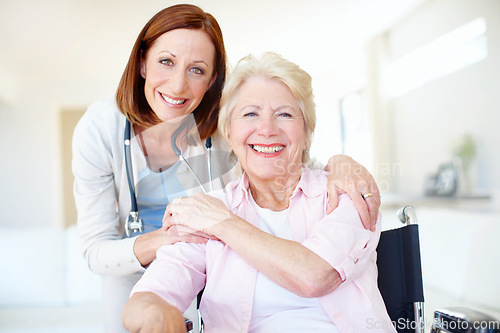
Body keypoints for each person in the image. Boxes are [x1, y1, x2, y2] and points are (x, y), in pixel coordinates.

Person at [72, 4, 380, 332]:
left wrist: (341, 163)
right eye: (166, 61)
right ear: (142, 62)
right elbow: (113, 262)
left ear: (212, 80)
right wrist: (163, 262)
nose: (177, 86)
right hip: (133, 267)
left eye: (197, 69)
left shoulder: (334, 197)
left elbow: (287, 162)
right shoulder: (101, 128)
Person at [122, 52, 394, 333]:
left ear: (307, 132)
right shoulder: (210, 209)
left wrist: (225, 224)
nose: (267, 129)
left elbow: (315, 276)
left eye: (285, 114)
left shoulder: (344, 191)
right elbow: (150, 293)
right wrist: (156, 315)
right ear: (229, 132)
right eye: (250, 114)